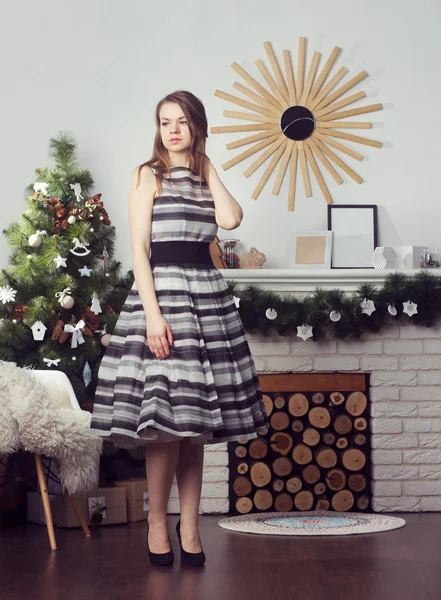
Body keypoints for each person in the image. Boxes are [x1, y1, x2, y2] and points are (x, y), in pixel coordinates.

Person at [90, 90, 268, 567]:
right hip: (163, 297)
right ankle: (155, 521)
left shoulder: (204, 172)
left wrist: (208, 167)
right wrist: (152, 315)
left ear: (197, 127)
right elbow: (140, 252)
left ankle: (189, 525)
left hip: (206, 299)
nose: (172, 130)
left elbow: (230, 218)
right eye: (165, 122)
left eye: (182, 122)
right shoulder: (147, 176)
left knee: (195, 425)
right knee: (166, 425)